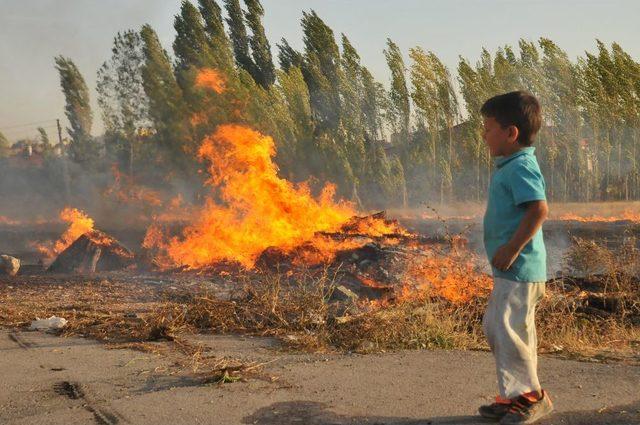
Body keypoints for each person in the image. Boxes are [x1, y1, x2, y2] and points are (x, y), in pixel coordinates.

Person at [477, 91, 553, 424]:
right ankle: (515, 396)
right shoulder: (509, 166)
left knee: (506, 329)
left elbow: (538, 209)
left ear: (511, 133)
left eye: (489, 128)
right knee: (501, 328)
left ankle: (531, 397)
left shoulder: (521, 165)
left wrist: (511, 248)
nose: (484, 134)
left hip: (519, 270)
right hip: (512, 272)